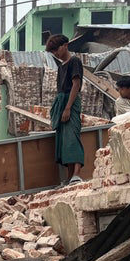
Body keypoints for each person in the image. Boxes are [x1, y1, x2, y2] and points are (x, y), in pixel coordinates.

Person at [46, 35, 86, 183]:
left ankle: (77, 173)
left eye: (57, 49)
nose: (56, 53)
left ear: (65, 45)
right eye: (53, 51)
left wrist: (68, 108)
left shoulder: (74, 61)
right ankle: (70, 177)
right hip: (62, 102)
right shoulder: (61, 66)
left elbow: (76, 85)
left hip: (71, 102)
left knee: (72, 138)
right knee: (64, 141)